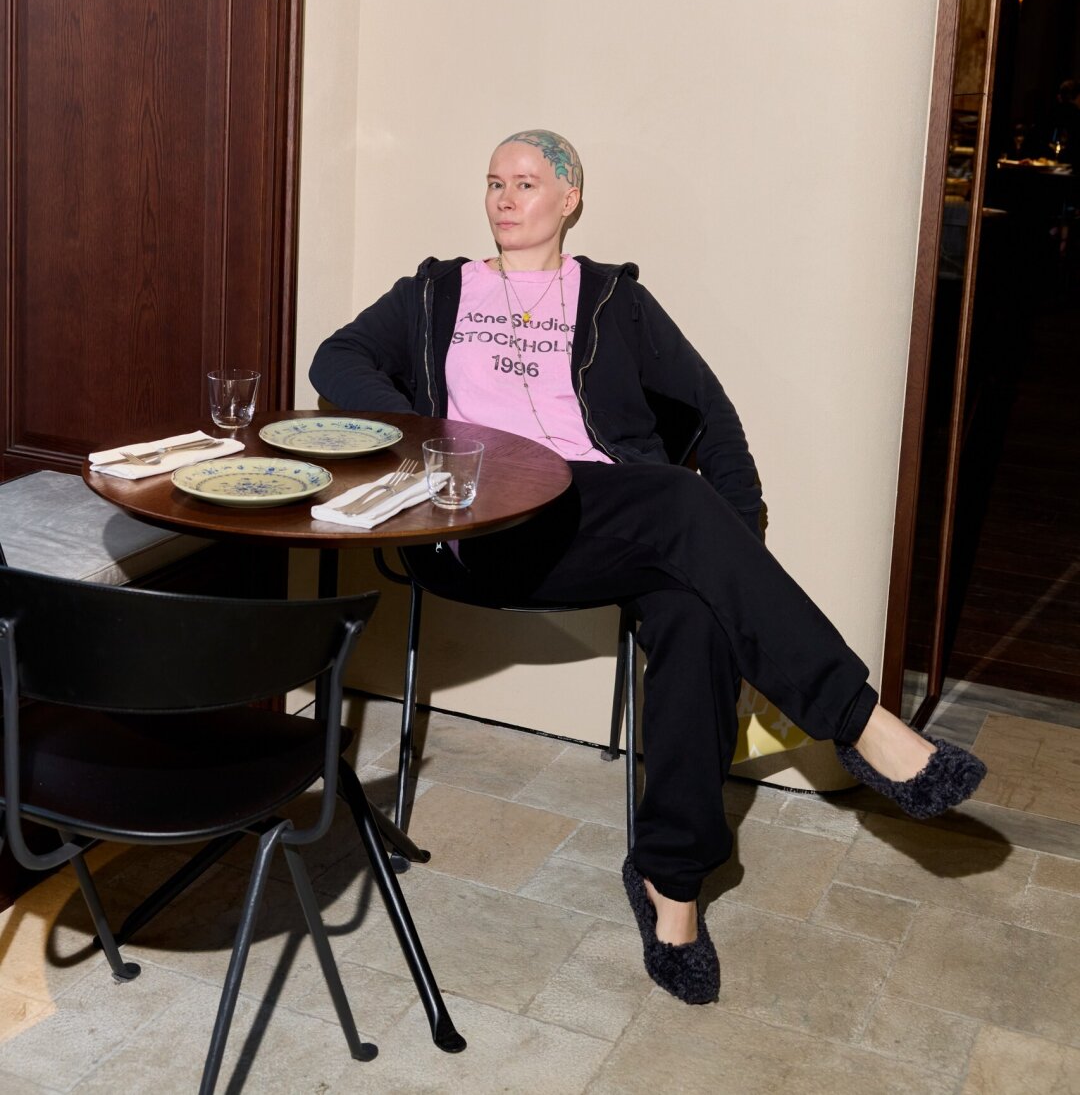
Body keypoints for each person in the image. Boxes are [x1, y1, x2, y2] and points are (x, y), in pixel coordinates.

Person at [310, 130, 987, 1005]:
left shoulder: (613, 300)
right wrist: (434, 436)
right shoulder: (439, 290)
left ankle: (672, 883)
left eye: (527, 182)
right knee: (673, 498)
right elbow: (336, 359)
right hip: (482, 528)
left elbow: (712, 417)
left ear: (569, 199)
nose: (505, 197)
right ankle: (857, 720)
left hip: (598, 521)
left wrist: (734, 560)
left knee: (697, 612)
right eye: (494, 182)